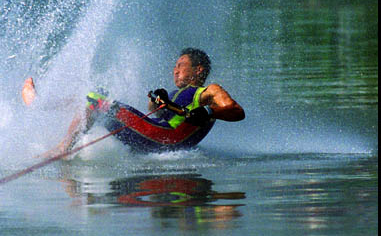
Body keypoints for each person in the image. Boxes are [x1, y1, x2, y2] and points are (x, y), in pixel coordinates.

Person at [22, 48, 245, 157]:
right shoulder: (176, 95)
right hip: (156, 139)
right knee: (96, 102)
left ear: (198, 70)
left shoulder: (209, 90)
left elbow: (236, 111)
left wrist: (207, 111)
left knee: (95, 99)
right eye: (175, 66)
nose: (175, 70)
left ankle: (60, 141)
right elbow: (159, 116)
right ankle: (46, 110)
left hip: (163, 138)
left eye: (181, 65)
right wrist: (156, 102)